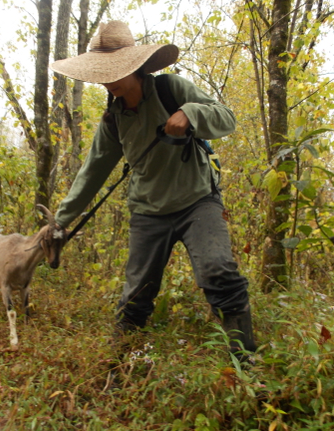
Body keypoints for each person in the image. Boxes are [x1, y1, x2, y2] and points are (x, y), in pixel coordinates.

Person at [50, 20, 256, 357]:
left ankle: (247, 367)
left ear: (134, 67)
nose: (108, 80)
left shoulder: (170, 89)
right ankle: (118, 371)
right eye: (101, 73)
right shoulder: (114, 119)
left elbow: (226, 118)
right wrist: (61, 220)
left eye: (113, 70)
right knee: (136, 296)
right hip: (147, 212)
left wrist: (190, 113)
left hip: (197, 201)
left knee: (219, 273)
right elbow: (92, 172)